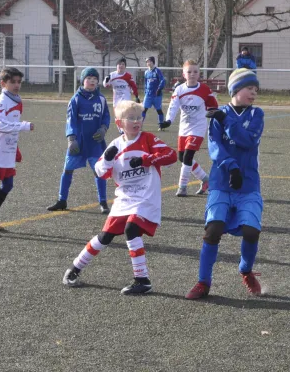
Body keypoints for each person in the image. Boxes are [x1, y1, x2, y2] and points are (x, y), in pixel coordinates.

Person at [62, 100, 177, 294]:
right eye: (130, 118)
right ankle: (74, 270)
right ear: (119, 123)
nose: (136, 121)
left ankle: (142, 280)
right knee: (104, 236)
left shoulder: (148, 139)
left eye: (139, 117)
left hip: (145, 198)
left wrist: (145, 159)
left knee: (131, 228)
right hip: (124, 199)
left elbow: (171, 155)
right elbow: (100, 172)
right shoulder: (114, 146)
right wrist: (107, 159)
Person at [185, 68, 264, 300]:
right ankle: (203, 282)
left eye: (256, 90)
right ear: (236, 89)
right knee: (213, 230)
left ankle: (245, 270)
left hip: (248, 184)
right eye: (250, 88)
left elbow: (248, 141)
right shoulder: (218, 115)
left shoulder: (257, 114)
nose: (254, 93)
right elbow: (214, 148)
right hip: (222, 182)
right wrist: (232, 166)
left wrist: (227, 120)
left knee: (251, 231)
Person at [47, 67, 111, 214]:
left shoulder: (101, 99)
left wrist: (103, 129)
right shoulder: (76, 99)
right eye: (89, 79)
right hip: (79, 142)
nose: (92, 81)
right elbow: (71, 120)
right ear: (83, 81)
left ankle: (103, 202)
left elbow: (106, 117)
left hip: (95, 143)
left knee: (99, 172)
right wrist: (71, 139)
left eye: (95, 79)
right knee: (68, 169)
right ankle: (62, 200)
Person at [0, 67, 34, 236]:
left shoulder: (17, 100)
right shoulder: (1, 101)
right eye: (12, 82)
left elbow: (11, 128)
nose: (17, 85)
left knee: (8, 185)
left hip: (7, 150)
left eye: (19, 82)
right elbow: (1, 126)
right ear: (3, 83)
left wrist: (14, 147)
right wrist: (24, 125)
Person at [159, 60, 218, 197]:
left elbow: (213, 106)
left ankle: (182, 187)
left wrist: (214, 114)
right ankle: (205, 179)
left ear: (199, 74)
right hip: (184, 127)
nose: (192, 74)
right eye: (189, 72)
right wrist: (168, 120)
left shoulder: (204, 90)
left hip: (198, 126)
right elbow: (173, 106)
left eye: (195, 71)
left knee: (188, 156)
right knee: (182, 157)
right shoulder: (179, 90)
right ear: (184, 74)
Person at [142, 56, 166, 127]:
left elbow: (162, 80)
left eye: (149, 61)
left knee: (159, 110)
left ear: (153, 62)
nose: (148, 63)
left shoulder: (157, 71)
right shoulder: (146, 72)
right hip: (148, 94)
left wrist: (159, 89)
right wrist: (145, 91)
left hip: (156, 95)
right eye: (147, 62)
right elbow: (146, 83)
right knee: (144, 109)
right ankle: (140, 125)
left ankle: (161, 125)